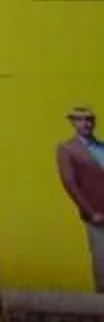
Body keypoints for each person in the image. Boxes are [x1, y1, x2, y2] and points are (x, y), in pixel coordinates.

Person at [58, 106, 104, 294]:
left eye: (89, 119)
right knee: (102, 256)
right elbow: (70, 183)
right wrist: (90, 212)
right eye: (80, 119)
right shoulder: (68, 149)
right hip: (97, 211)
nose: (86, 124)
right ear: (73, 122)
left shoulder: (101, 146)